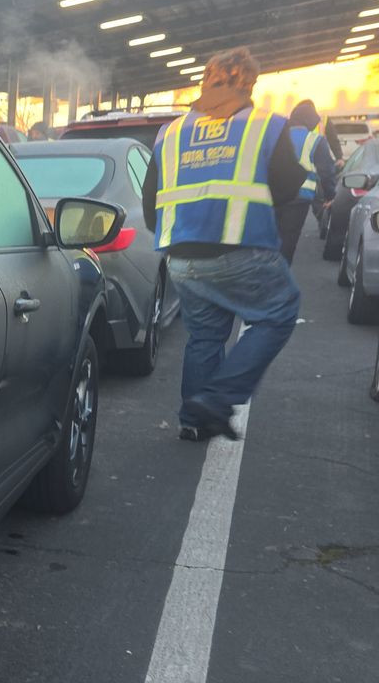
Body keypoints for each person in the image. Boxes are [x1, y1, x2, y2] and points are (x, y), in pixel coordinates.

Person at [141, 47, 306, 441]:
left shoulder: (172, 132)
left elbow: (151, 203)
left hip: (181, 256)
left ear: (206, 80)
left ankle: (193, 419)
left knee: (205, 337)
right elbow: (288, 187)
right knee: (279, 311)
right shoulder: (267, 125)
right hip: (240, 248)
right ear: (248, 83)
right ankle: (217, 399)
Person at [277, 99, 337, 263]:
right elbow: (326, 172)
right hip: (299, 197)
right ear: (310, 121)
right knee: (288, 240)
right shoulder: (316, 140)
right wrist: (330, 195)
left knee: (271, 238)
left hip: (273, 195)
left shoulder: (277, 135)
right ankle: (279, 275)